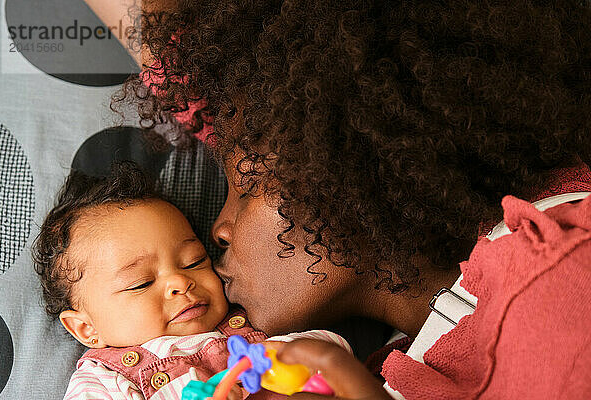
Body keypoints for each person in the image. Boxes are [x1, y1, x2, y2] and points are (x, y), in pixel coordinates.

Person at [117, 1, 591, 398]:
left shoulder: (562, 264)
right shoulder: (398, 365)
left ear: (351, 155)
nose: (216, 229)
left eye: (247, 182)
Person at [32, 162, 350, 400]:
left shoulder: (251, 318)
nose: (180, 282)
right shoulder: (105, 378)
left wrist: (280, 355)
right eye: (141, 282)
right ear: (87, 328)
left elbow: (336, 352)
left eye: (193, 261)